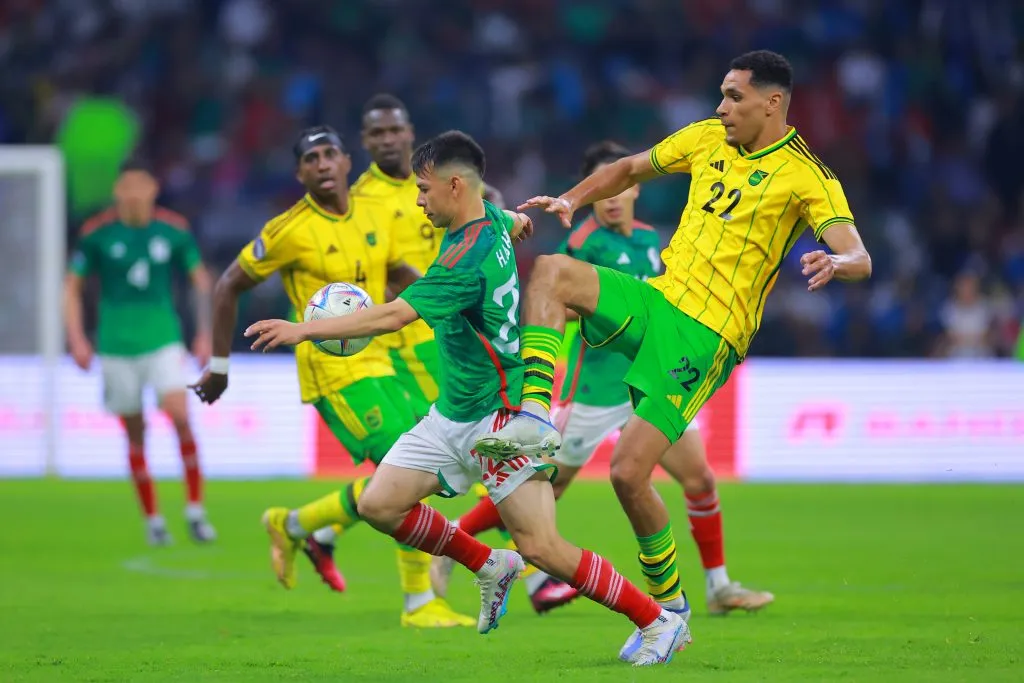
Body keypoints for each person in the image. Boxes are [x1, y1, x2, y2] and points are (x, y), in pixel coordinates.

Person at [245, 130, 690, 666]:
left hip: (499, 422)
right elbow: (506, 220)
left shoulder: (460, 261)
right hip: (450, 413)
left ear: (456, 186)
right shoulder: (490, 224)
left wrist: (303, 331)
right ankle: (487, 564)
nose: (418, 200)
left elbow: (392, 316)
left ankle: (657, 620)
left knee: (543, 549)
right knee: (378, 504)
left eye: (424, 189)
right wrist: (518, 220)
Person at [475, 50, 872, 650]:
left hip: (707, 334)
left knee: (629, 475)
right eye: (721, 93)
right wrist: (573, 198)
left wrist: (836, 260)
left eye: (734, 96)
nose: (721, 106)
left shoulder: (807, 176)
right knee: (553, 272)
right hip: (660, 299)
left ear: (773, 102)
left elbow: (860, 256)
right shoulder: (706, 137)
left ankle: (671, 612)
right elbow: (630, 168)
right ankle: (535, 414)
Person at [446, 141, 774, 615]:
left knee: (700, 478)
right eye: (605, 193)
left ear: (635, 190)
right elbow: (555, 302)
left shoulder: (649, 241)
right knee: (545, 485)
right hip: (595, 391)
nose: (614, 199)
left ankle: (719, 586)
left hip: (655, 379)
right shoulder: (583, 244)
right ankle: (456, 540)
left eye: (622, 190)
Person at [189, 125, 474, 629]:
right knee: (400, 465)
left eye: (329, 154)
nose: (321, 164)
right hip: (332, 371)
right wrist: (219, 365)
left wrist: (452, 308)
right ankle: (417, 603)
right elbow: (228, 286)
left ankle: (297, 524)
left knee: (412, 472)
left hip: (383, 359)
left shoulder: (373, 212)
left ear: (347, 161)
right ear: (299, 172)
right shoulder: (288, 230)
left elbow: (397, 272)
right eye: (310, 158)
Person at [64, 161, 216, 546]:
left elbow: (201, 281)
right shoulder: (97, 234)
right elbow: (71, 287)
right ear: (117, 191)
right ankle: (153, 520)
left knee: (179, 413)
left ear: (153, 188)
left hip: (162, 336)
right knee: (136, 433)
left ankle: (195, 511)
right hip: (115, 345)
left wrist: (204, 334)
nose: (133, 193)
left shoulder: (174, 230)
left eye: (140, 185)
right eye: (126, 186)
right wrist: (77, 338)